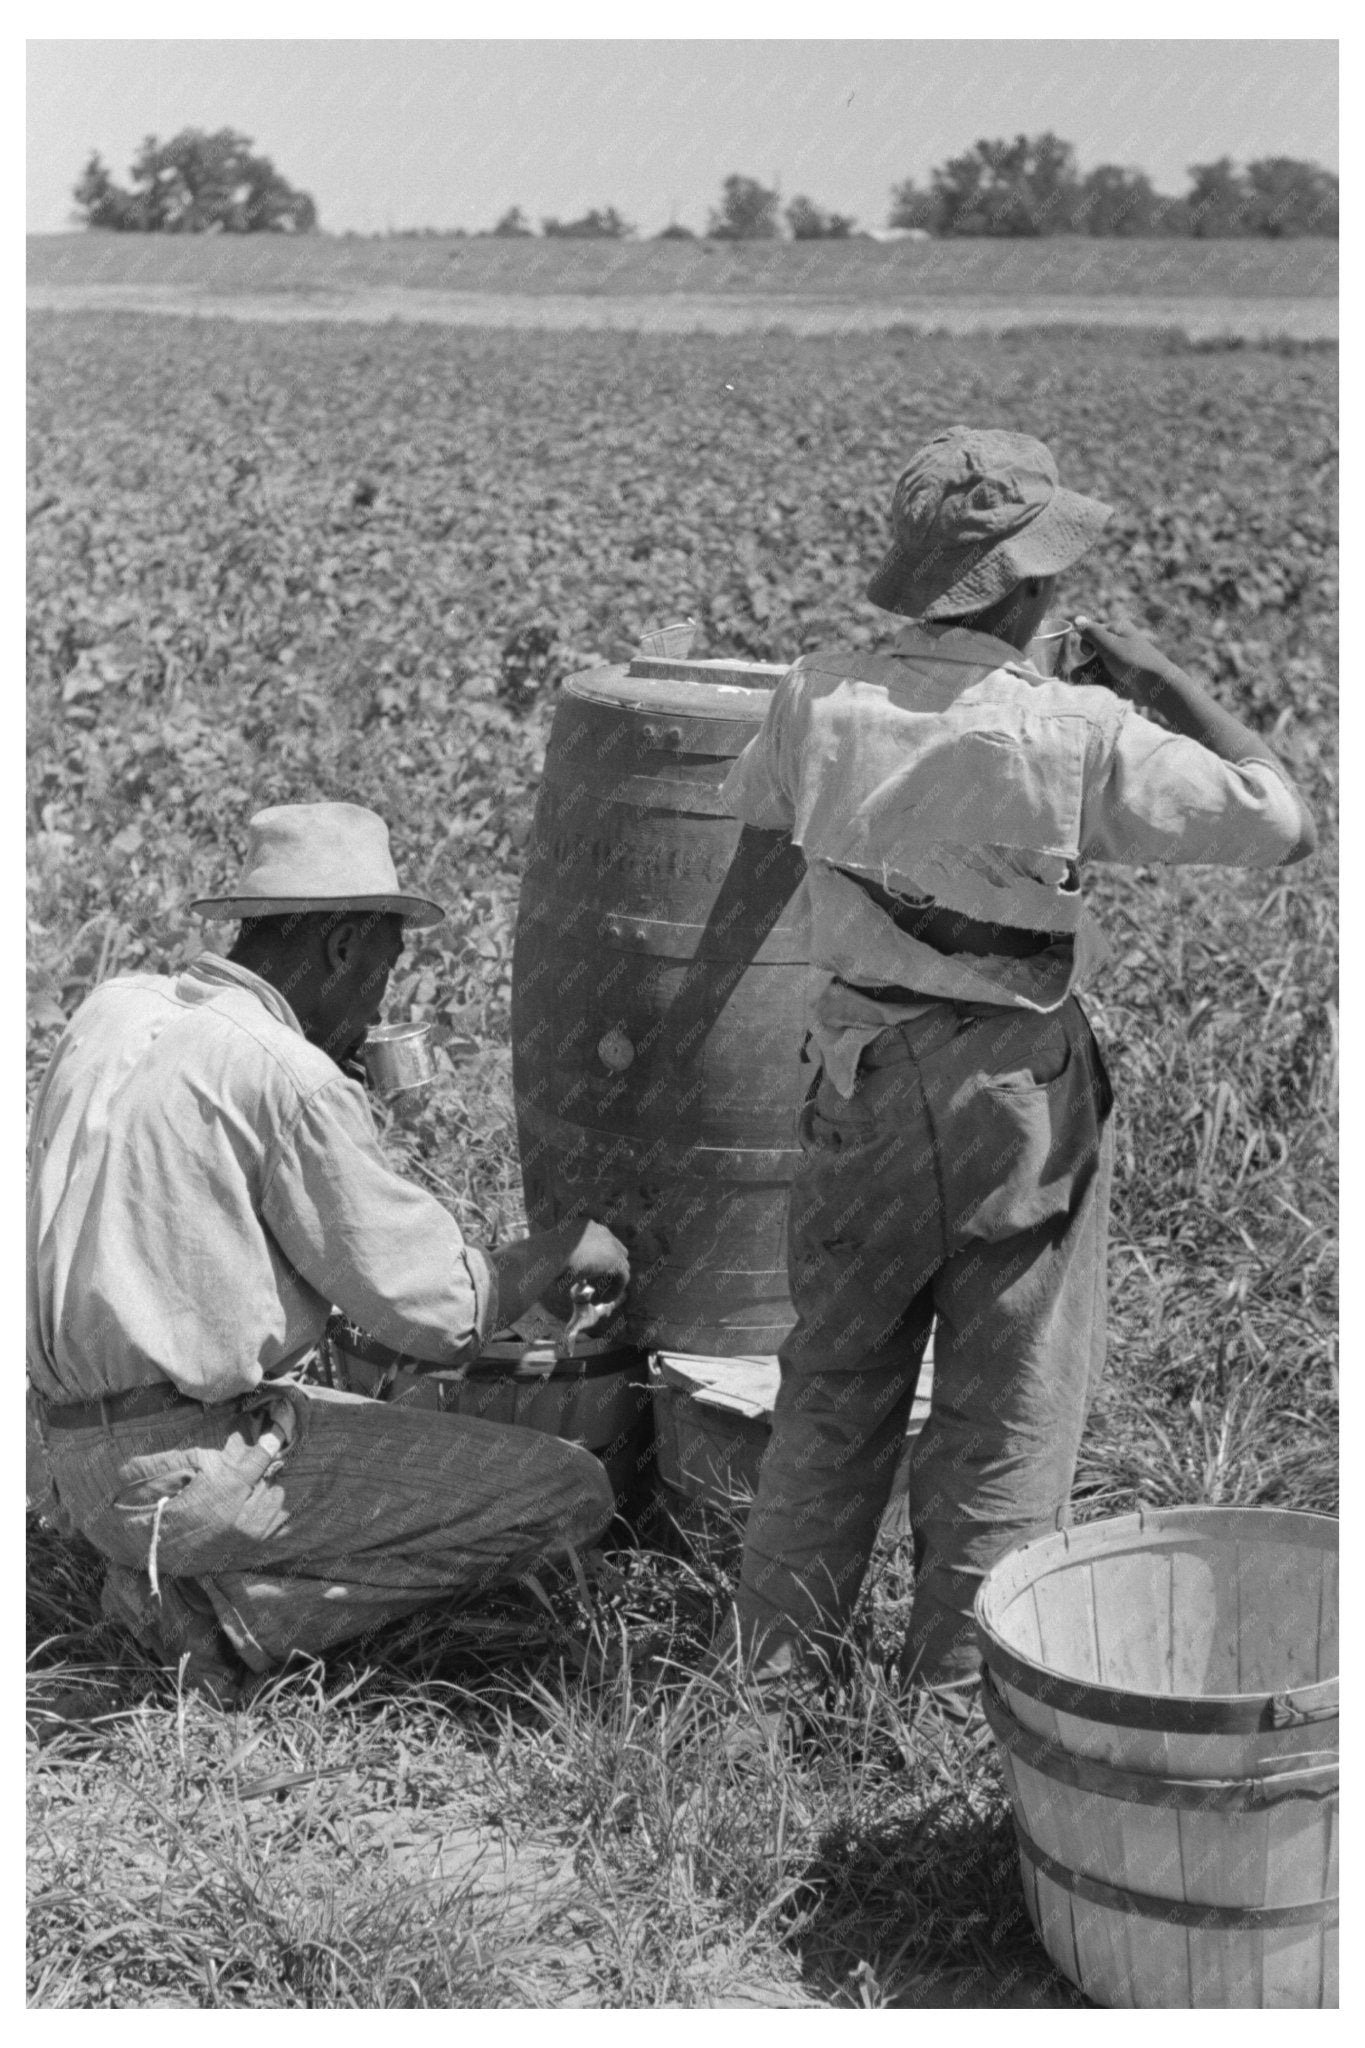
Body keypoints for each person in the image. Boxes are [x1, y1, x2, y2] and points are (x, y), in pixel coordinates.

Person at [714, 426, 1316, 1714]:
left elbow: (761, 805)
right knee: (1007, 1397)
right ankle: (948, 1702)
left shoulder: (820, 688)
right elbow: (1281, 820)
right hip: (1010, 1095)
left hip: (857, 1076)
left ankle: (768, 1688)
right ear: (1035, 587)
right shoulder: (1078, 729)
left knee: (833, 1381)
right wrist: (1158, 679)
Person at [27, 801, 631, 1699]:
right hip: (190, 1469)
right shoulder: (285, 1076)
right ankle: (235, 1622)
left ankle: (160, 1568)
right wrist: (564, 1245)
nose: (378, 1003)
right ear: (344, 948)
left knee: (325, 1406)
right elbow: (441, 1313)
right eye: (383, 973)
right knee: (570, 1490)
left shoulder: (115, 1009)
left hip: (62, 1459)